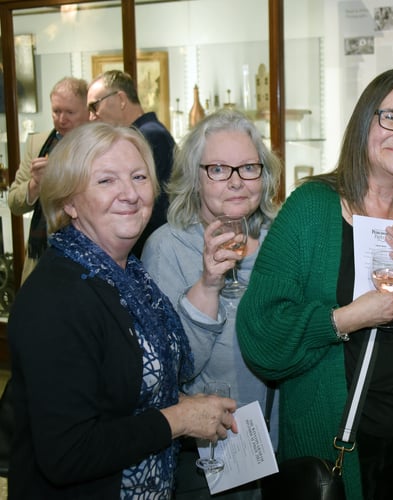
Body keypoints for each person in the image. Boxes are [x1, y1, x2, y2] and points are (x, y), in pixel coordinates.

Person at [236, 68, 393, 500]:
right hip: (345, 443)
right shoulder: (311, 209)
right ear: (365, 122)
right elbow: (261, 335)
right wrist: (348, 318)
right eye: (390, 117)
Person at [7, 122, 238, 498]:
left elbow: (126, 389)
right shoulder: (56, 297)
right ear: (68, 201)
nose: (130, 193)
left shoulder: (129, 276)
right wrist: (178, 419)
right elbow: (67, 453)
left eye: (138, 176)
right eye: (106, 181)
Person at [142, 109, 282, 499]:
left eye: (249, 168)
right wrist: (208, 284)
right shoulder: (167, 249)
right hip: (209, 457)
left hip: (282, 448)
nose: (236, 182)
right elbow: (170, 370)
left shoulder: (282, 240)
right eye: (219, 169)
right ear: (195, 177)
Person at [8, 76, 89, 282]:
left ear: (88, 111)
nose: (61, 119)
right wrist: (35, 185)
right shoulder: (38, 143)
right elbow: (15, 203)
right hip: (41, 256)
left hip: (87, 258)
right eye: (56, 111)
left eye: (70, 112)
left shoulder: (100, 145)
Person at [88, 69, 175, 257]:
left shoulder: (148, 136)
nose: (91, 117)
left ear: (120, 99)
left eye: (95, 106)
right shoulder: (145, 134)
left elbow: (154, 208)